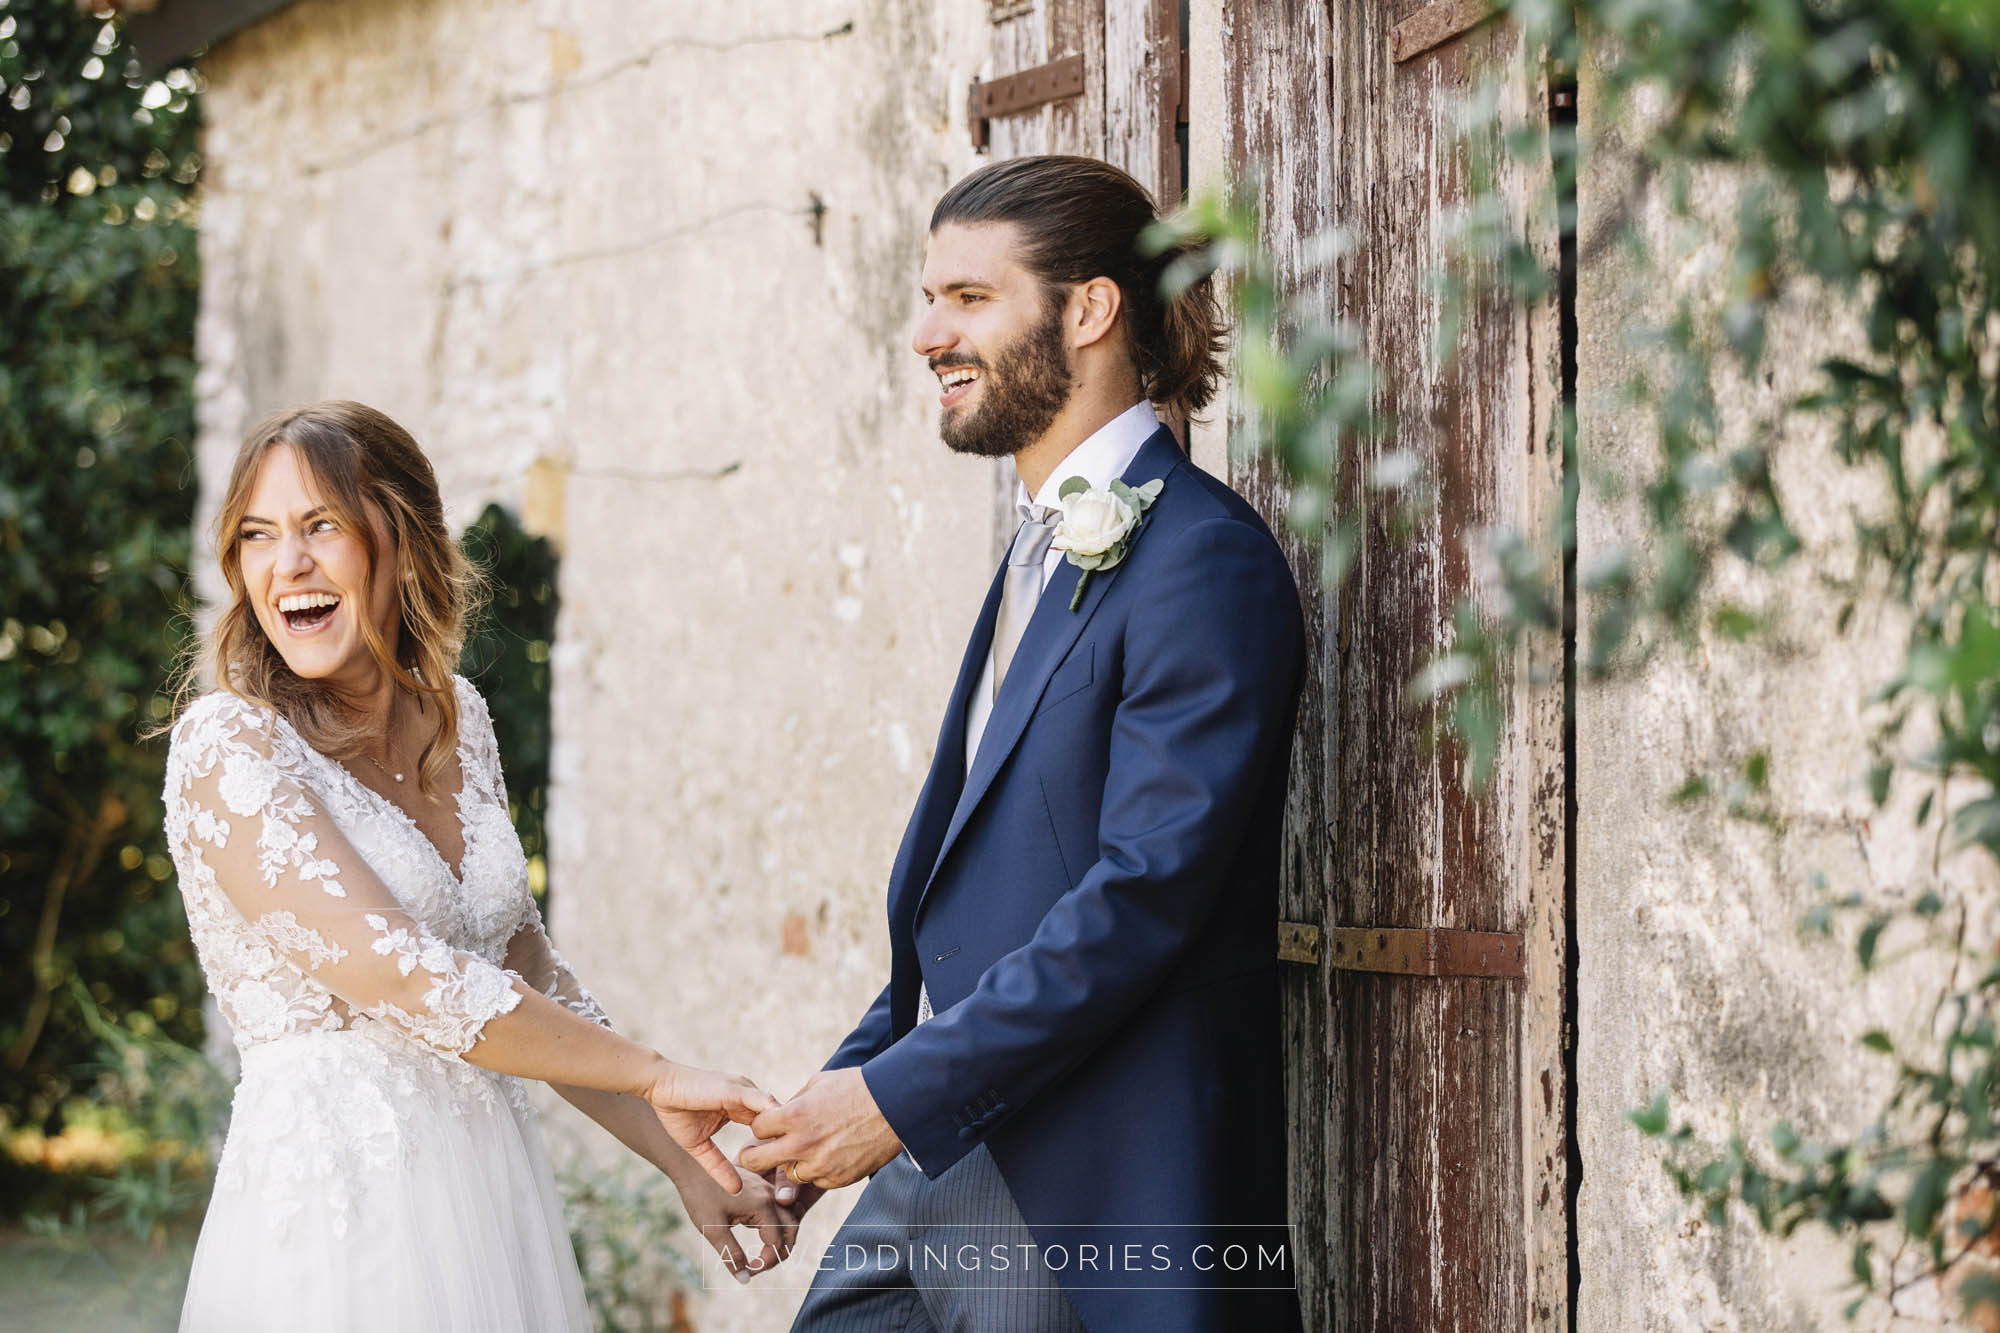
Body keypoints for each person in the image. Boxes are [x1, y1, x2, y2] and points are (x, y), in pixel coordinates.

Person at [740, 155, 1307, 1332]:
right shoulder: (1038, 550)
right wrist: (825, 1111)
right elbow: (980, 893)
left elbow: (1141, 896)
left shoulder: (1202, 558)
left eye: (966, 298)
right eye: (927, 296)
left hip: (1081, 1188)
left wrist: (890, 1103)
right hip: (946, 1140)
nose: (924, 333)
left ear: (1088, 308)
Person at [163, 401, 793, 1331]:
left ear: (402, 538)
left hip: (489, 1199)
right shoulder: (231, 744)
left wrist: (682, 1158)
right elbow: (405, 976)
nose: (286, 563)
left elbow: (529, 978)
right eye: (259, 536)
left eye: (321, 525)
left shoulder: (458, 716)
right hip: (343, 1221)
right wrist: (657, 1072)